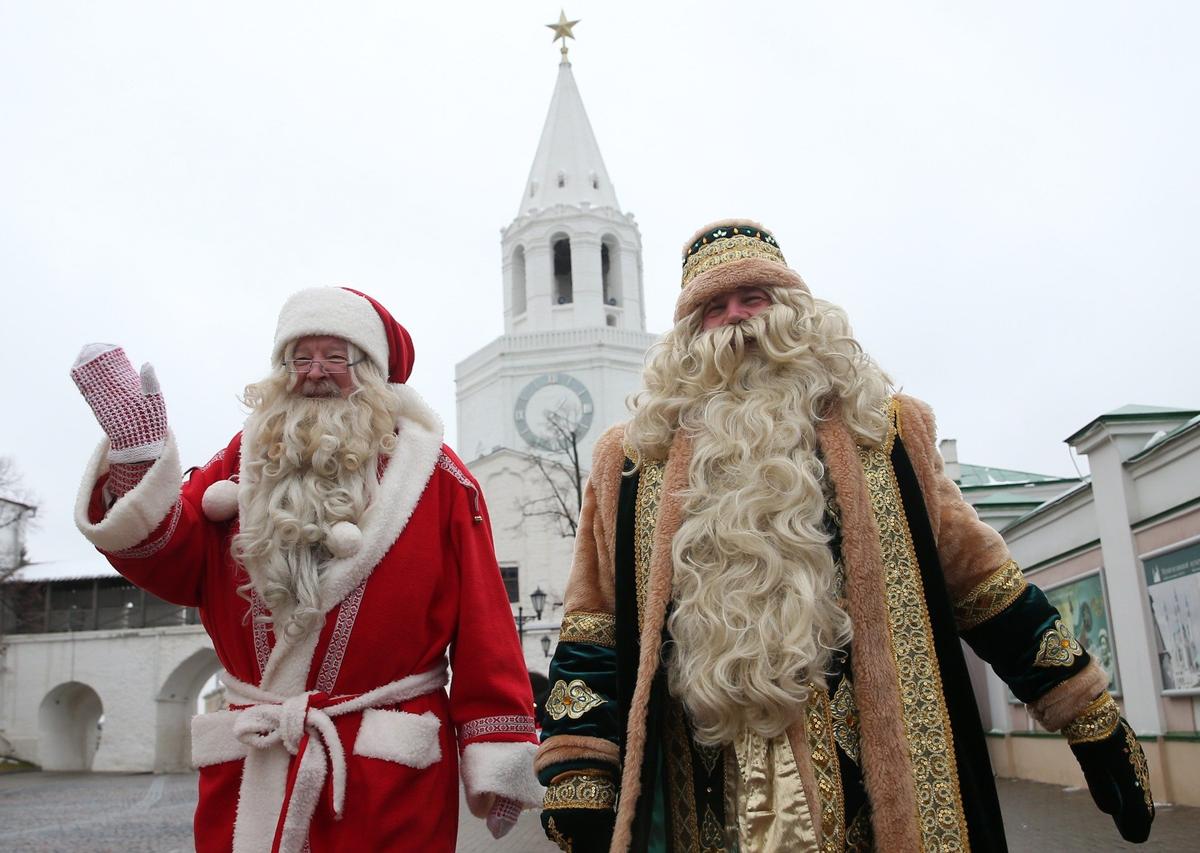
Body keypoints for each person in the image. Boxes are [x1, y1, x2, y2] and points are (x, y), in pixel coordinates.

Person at [535, 222, 1154, 851]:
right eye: (714, 308)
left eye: (754, 298)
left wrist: (1084, 710)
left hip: (875, 780)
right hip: (699, 782)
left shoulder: (883, 433)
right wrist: (578, 765)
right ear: (690, 338)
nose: (737, 319)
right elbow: (595, 621)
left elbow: (983, 583)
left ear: (795, 313)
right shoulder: (632, 461)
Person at [71, 287, 542, 853]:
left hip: (383, 773)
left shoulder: (435, 478)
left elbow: (484, 621)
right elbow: (175, 563)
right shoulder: (240, 460)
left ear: (372, 371)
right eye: (299, 357)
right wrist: (136, 465)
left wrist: (497, 747)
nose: (315, 372)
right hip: (256, 759)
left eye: (334, 356)